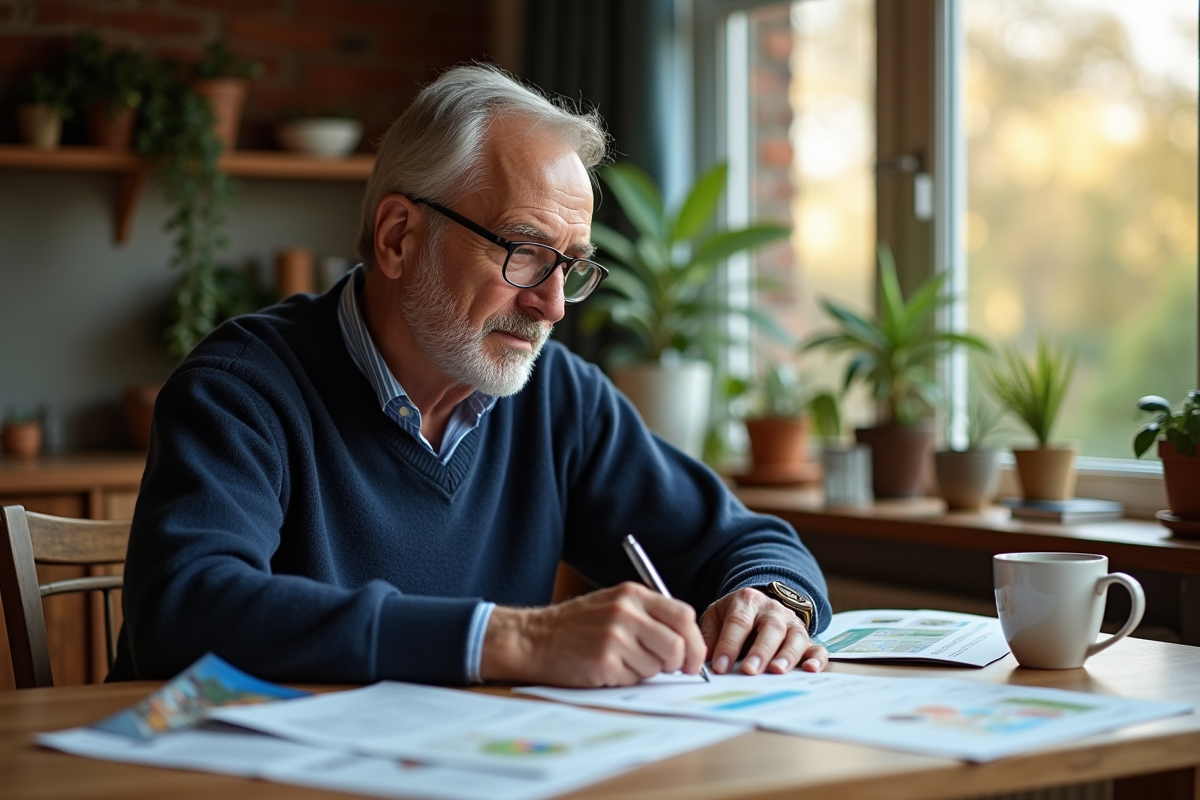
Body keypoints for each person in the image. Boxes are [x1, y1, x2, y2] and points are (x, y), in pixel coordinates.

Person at [109, 64, 830, 688]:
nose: (551, 304)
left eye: (569, 266)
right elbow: (185, 611)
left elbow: (747, 542)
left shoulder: (557, 396)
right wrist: (515, 641)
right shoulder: (242, 388)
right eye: (522, 250)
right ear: (398, 238)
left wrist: (769, 603)